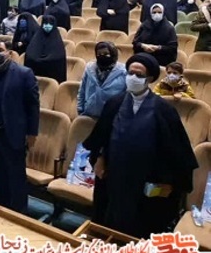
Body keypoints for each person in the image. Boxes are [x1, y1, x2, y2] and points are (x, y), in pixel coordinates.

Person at [83, 53, 198, 238]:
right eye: (130, 73)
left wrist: (169, 182)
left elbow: (177, 153)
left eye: (139, 75)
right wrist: (100, 158)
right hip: (115, 176)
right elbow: (102, 138)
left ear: (149, 78)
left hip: (146, 181)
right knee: (108, 225)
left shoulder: (164, 110)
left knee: (140, 231)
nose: (133, 78)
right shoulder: (114, 103)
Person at [0, 39, 39, 212]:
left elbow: (33, 106)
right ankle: (0, 209)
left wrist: (32, 133)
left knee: (16, 178)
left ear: (10, 53)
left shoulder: (24, 73)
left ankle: (19, 214)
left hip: (13, 134)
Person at [77, 42, 127, 118]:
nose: (102, 56)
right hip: (90, 113)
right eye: (99, 54)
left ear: (113, 54)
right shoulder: (89, 68)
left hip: (112, 116)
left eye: (106, 54)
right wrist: (80, 109)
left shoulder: (124, 71)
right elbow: (82, 90)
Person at [24, 15, 67, 83]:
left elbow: (58, 58)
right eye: (45, 23)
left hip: (52, 79)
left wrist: (44, 61)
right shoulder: (36, 39)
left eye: (50, 24)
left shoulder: (57, 42)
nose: (47, 26)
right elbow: (29, 55)